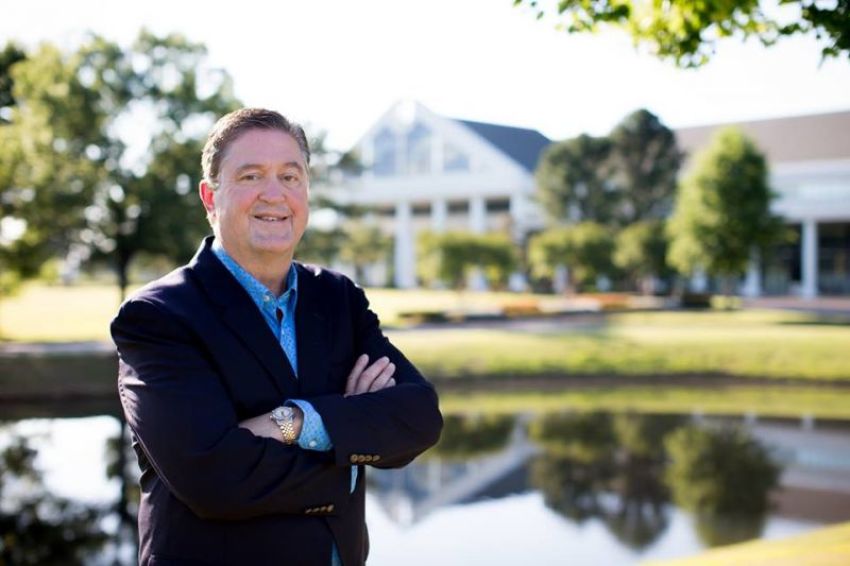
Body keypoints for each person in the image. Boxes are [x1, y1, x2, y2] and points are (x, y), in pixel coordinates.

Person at [111, 108, 443, 566]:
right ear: (211, 197)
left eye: (291, 176)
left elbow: (419, 417)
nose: (275, 194)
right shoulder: (158, 317)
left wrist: (297, 423)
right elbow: (213, 477)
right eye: (251, 176)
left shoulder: (337, 299)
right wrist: (347, 451)